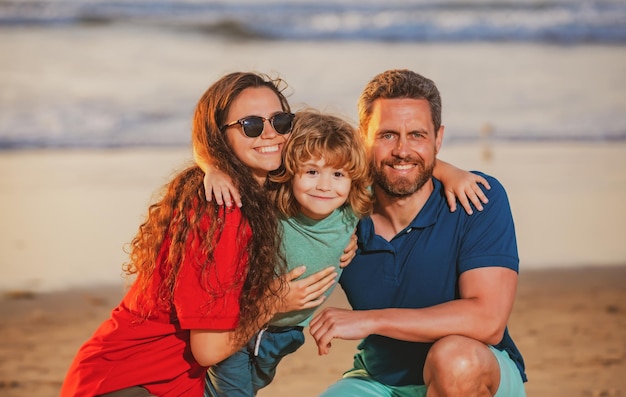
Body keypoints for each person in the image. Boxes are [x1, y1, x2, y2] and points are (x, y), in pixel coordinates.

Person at [60, 72, 337, 397]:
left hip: (160, 381)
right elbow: (207, 349)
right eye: (251, 125)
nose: (270, 134)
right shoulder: (222, 211)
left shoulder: (249, 194)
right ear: (220, 138)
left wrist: (344, 241)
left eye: (280, 120)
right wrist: (273, 304)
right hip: (130, 383)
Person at [309, 69, 527, 397]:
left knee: (455, 360)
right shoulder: (336, 210)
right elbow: (285, 160)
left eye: (417, 135)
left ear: (438, 139)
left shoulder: (477, 197)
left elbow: (488, 320)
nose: (401, 149)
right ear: (361, 138)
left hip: (476, 371)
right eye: (387, 135)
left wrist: (371, 321)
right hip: (379, 379)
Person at [193, 109, 372, 396]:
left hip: (287, 335)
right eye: (312, 171)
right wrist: (211, 167)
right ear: (290, 170)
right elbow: (218, 148)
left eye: (338, 174)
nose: (325, 185)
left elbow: (395, 168)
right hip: (242, 327)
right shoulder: (272, 207)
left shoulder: (350, 211)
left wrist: (450, 173)